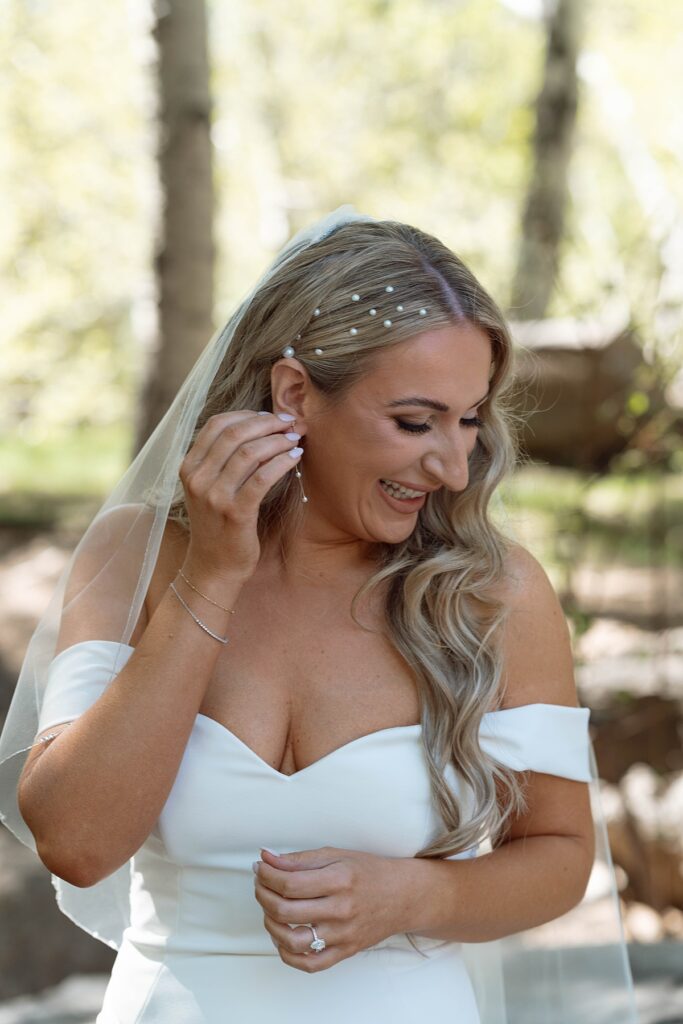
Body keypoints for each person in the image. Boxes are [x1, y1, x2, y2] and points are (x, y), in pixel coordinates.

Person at [0, 206, 639, 1023]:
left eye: (469, 419)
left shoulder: (492, 592)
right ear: (295, 394)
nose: (453, 468)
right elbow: (76, 843)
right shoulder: (135, 557)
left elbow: (558, 856)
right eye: (414, 422)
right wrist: (211, 578)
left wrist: (415, 896)